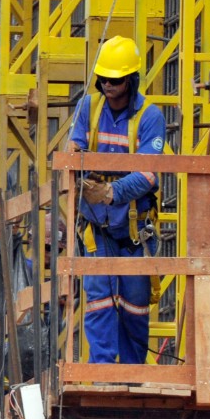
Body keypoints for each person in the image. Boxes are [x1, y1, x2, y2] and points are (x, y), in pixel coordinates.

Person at [66, 35, 166, 364]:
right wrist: (76, 161)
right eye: (104, 78)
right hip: (97, 225)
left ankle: (133, 376)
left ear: (131, 80)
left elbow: (149, 173)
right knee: (98, 301)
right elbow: (76, 148)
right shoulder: (89, 108)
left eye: (116, 80)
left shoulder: (150, 117)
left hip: (134, 227)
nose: (108, 85)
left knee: (135, 304)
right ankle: (104, 372)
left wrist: (111, 192)